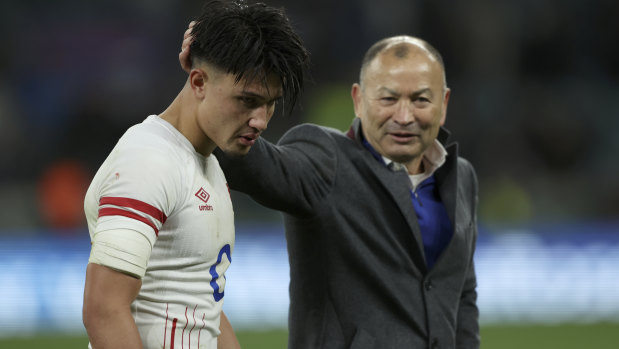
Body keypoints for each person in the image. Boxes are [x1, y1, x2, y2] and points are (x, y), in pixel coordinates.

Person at [182, 27, 480, 348]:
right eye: (388, 99)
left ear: (443, 103)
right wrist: (208, 86)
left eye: (420, 99)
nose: (404, 116)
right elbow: (248, 161)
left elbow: (461, 293)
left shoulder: (460, 176)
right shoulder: (326, 161)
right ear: (359, 100)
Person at [82, 1, 310, 349]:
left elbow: (202, 306)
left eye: (270, 103)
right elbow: (104, 309)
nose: (261, 120)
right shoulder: (148, 160)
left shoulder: (208, 163)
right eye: (247, 101)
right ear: (199, 81)